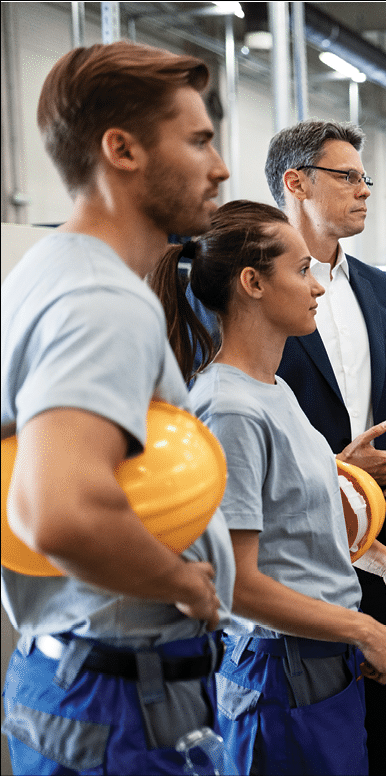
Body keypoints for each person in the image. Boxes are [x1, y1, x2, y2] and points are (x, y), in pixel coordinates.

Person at [1, 41, 234, 774]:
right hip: (118, 700)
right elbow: (59, 511)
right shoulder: (104, 301)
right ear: (122, 149)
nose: (220, 166)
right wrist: (182, 582)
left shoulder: (45, 271)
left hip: (79, 681)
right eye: (198, 141)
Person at [149, 200, 386, 774]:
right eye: (301, 271)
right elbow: (237, 583)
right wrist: (363, 629)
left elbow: (292, 514)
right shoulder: (229, 408)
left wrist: (377, 558)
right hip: (280, 675)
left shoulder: (274, 390)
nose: (318, 288)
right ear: (252, 282)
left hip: (321, 666)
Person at [263, 119, 386, 773]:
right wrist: (339, 470)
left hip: (377, 542)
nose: (364, 191)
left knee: (378, 724)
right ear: (297, 183)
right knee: (297, 723)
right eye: (347, 177)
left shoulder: (380, 289)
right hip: (286, 551)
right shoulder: (255, 287)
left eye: (363, 178)